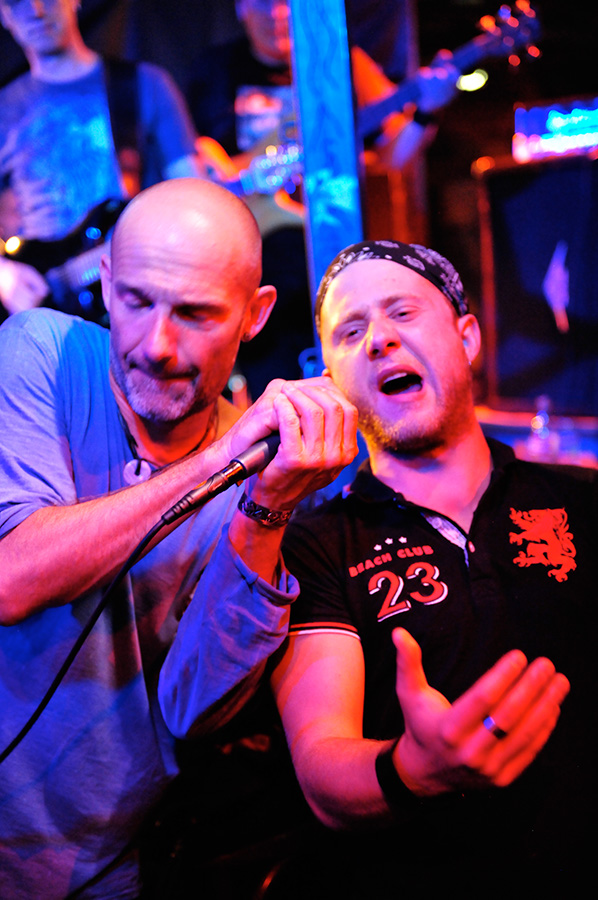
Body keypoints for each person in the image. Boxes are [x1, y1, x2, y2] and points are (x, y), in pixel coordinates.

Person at [0, 177, 358, 900]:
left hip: (106, 863)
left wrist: (263, 507)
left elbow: (195, 709)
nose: (157, 346)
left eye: (195, 313)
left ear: (255, 315)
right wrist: (218, 463)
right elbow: (12, 579)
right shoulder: (40, 349)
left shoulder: (271, 474)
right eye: (136, 301)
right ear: (106, 283)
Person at [269, 239, 596, 895]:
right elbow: (322, 764)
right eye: (351, 332)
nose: (379, 340)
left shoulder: (581, 500)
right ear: (330, 378)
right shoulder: (315, 543)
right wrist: (412, 770)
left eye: (402, 313)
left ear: (466, 338)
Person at [188, 0, 459, 401]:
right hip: (260, 258)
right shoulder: (214, 69)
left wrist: (426, 112)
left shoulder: (343, 60)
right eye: (264, 3)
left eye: (286, 3)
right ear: (242, 8)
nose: (277, 14)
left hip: (338, 245)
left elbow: (395, 152)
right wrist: (223, 170)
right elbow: (192, 154)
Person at [0, 0, 203, 322]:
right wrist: (4, 275)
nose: (36, 11)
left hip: (136, 294)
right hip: (42, 308)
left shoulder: (143, 83)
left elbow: (196, 195)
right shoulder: (4, 107)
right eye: (17, 2)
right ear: (4, 14)